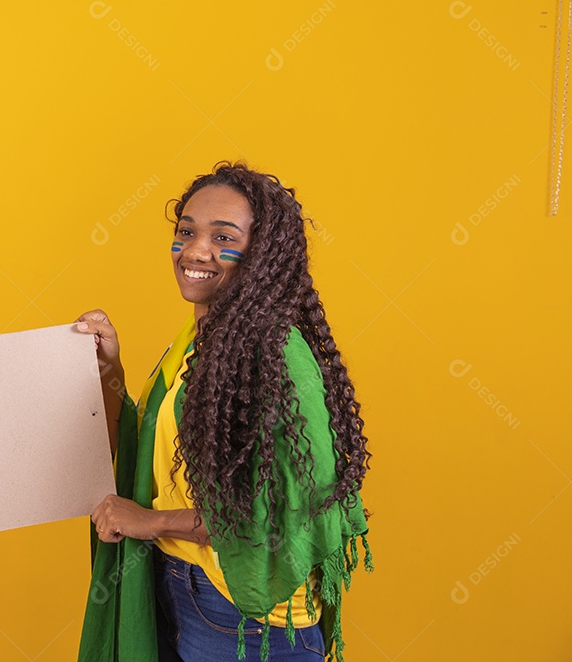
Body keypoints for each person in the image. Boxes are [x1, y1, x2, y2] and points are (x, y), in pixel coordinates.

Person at [75, 162, 371, 662]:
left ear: (262, 255)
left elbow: (272, 513)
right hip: (186, 584)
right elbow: (145, 443)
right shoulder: (200, 339)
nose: (195, 250)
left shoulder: (272, 353)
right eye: (186, 231)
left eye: (223, 236)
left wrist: (149, 521)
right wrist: (108, 366)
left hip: (244, 612)